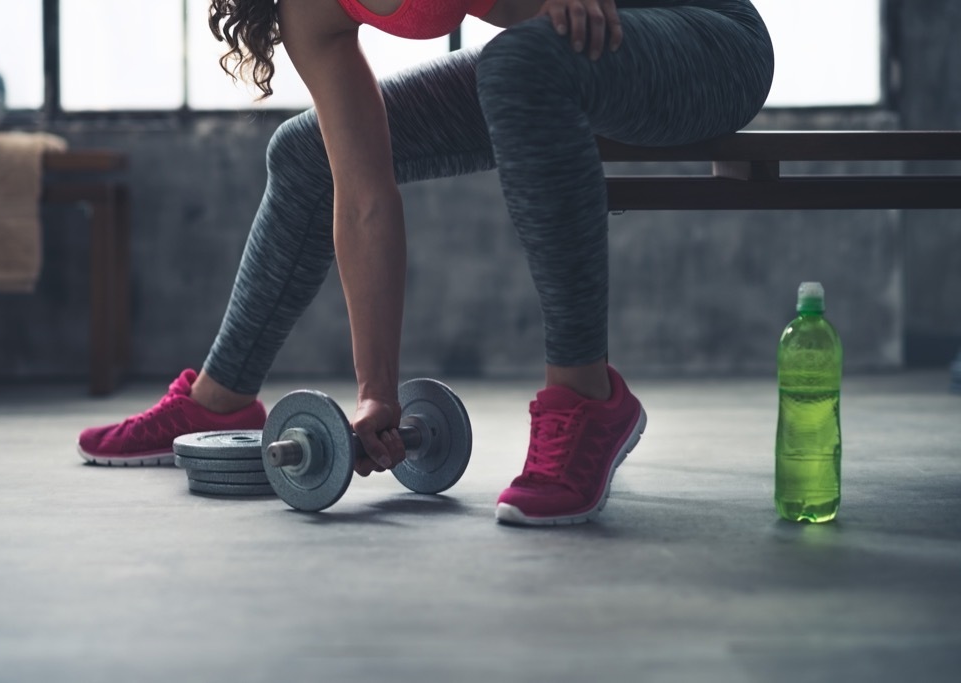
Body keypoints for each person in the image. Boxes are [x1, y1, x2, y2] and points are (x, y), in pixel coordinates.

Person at [78, 0, 774, 525]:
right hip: (562, 56)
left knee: (521, 63)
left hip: (701, 40)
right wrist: (377, 393)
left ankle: (588, 396)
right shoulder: (308, 7)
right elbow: (364, 198)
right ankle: (220, 401)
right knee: (307, 151)